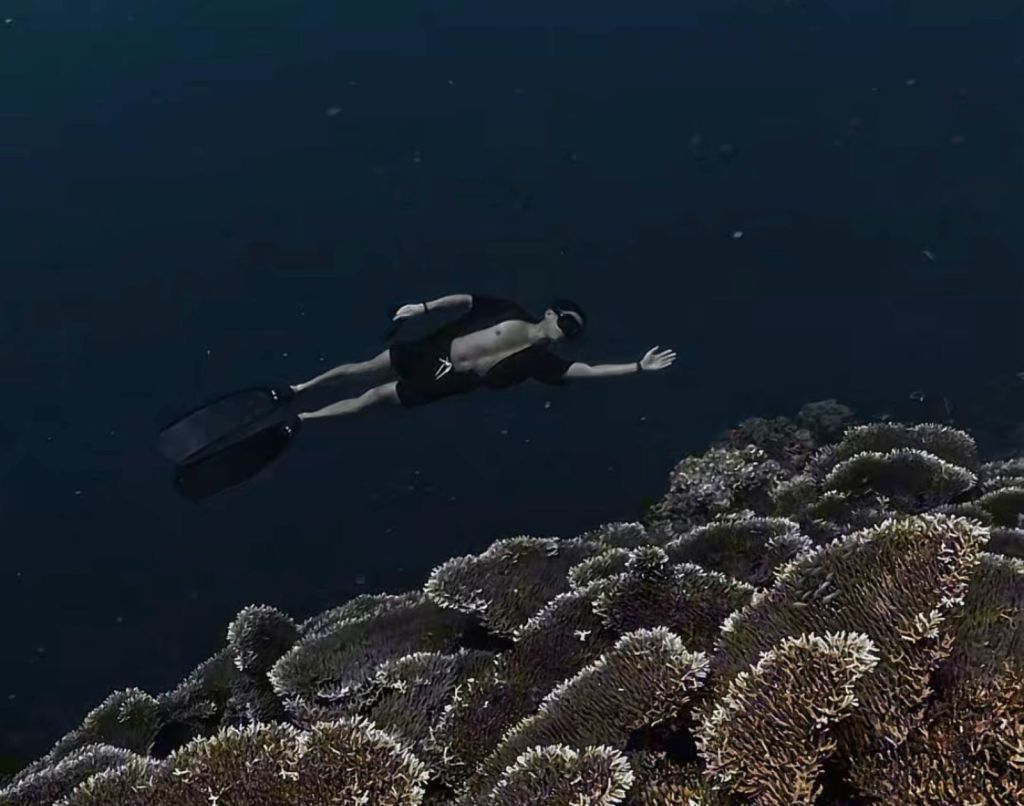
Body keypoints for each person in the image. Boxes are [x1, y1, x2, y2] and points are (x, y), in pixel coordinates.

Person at [290, 292, 676, 419]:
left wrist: (638, 367)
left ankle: (308, 416)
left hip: (451, 381)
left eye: (571, 333)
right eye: (566, 323)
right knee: (362, 370)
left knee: (373, 398)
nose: (565, 334)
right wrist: (423, 308)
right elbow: (465, 300)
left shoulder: (538, 361)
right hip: (433, 351)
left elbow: (587, 371)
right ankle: (303, 386)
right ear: (550, 313)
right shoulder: (508, 311)